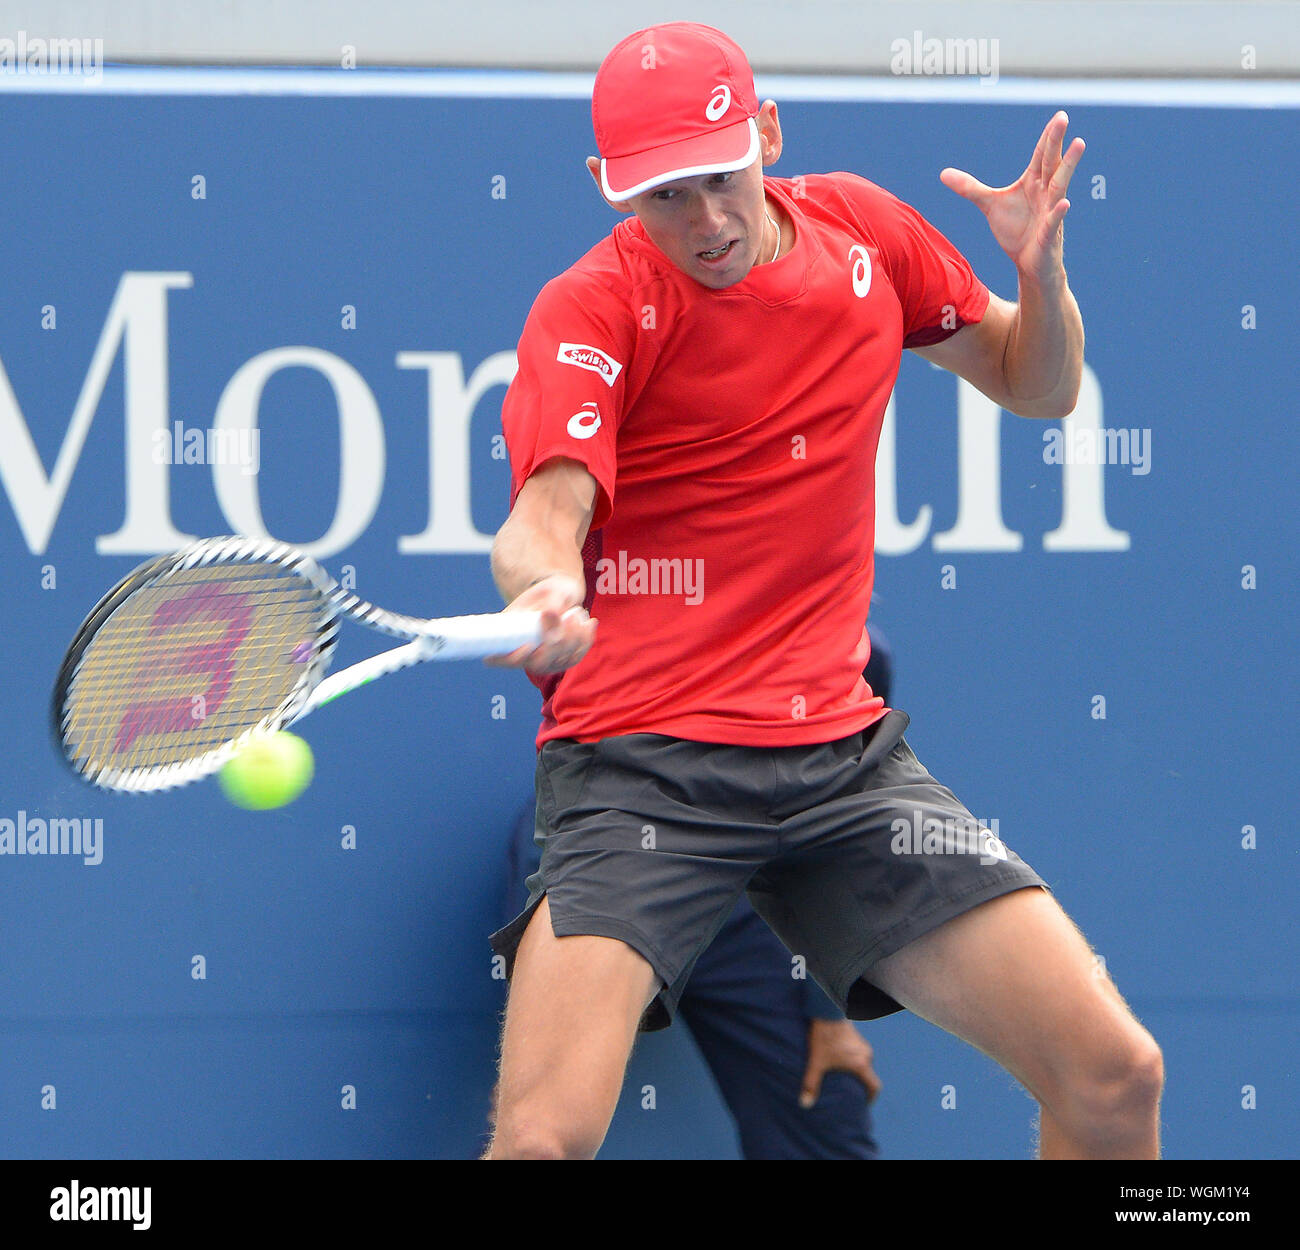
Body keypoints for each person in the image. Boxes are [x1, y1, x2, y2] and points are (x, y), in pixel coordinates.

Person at [483, 22, 1163, 1160]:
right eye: (663, 199)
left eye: (719, 178)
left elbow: (1033, 385)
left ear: (767, 131)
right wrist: (545, 591)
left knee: (1112, 1074)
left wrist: (1038, 280)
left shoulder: (863, 230)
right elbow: (542, 521)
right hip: (643, 771)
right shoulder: (591, 309)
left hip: (840, 766)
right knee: (542, 1138)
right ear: (616, 195)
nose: (702, 222)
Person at [492, 625, 895, 1160]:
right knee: (534, 1133)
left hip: (748, 911)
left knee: (824, 1092)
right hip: (604, 880)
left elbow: (833, 815)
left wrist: (829, 1014)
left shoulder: (852, 649)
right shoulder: (629, 618)